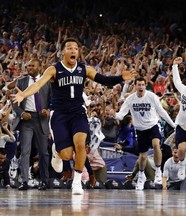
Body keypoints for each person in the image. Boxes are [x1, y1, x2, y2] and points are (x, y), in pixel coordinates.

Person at [12, 38, 136, 195]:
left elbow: (103, 80)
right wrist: (23, 94)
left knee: (80, 143)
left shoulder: (84, 69)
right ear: (63, 52)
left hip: (78, 112)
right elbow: (37, 85)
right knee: (67, 154)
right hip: (59, 114)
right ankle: (57, 151)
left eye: (76, 49)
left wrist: (120, 78)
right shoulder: (53, 69)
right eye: (69, 48)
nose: (73, 51)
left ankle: (77, 182)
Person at [114, 76, 176, 190]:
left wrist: (173, 125)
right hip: (140, 129)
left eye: (143, 84)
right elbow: (121, 114)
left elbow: (161, 112)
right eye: (139, 85)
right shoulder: (130, 99)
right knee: (143, 156)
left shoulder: (151, 96)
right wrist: (114, 114)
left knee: (156, 145)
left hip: (153, 125)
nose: (141, 87)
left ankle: (158, 170)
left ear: (145, 85)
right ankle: (141, 175)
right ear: (135, 86)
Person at [12, 58, 51, 191]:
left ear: (40, 67)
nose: (29, 68)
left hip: (42, 119)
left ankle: (44, 181)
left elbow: (53, 100)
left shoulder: (47, 81)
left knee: (44, 152)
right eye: (28, 66)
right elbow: (14, 102)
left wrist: (48, 110)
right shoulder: (21, 81)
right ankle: (24, 181)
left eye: (32, 66)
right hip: (26, 120)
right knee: (25, 151)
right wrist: (22, 113)